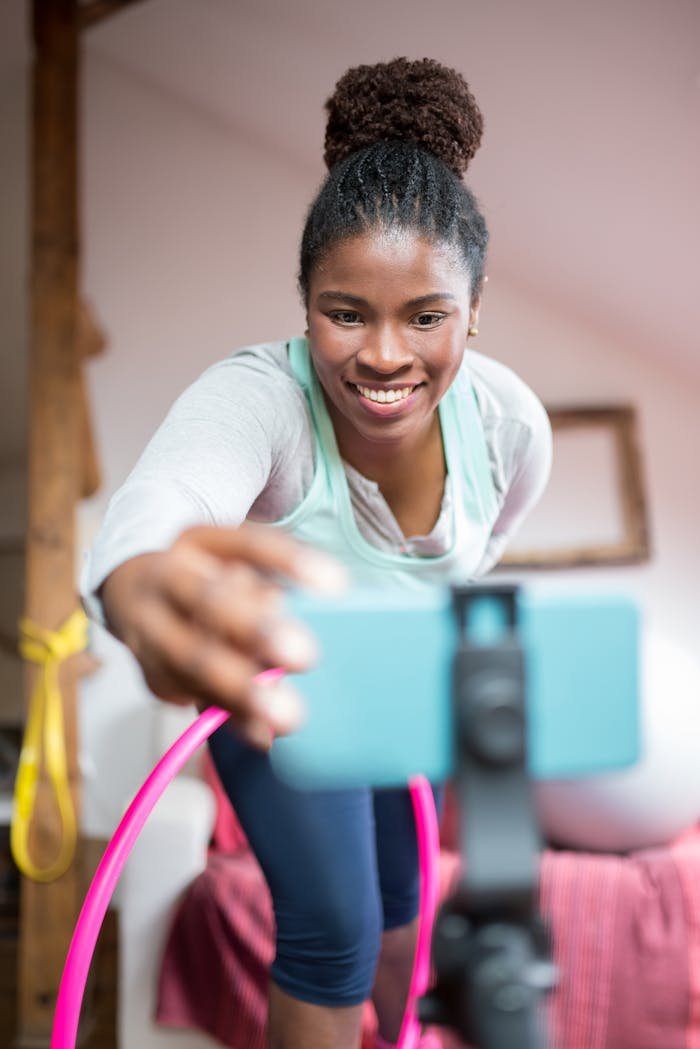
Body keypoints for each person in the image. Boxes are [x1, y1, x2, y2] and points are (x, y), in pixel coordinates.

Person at [82, 58, 552, 1049]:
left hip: (392, 691)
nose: (383, 354)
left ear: (473, 306)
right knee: (333, 932)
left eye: (425, 313)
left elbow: (476, 560)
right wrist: (144, 582)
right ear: (306, 304)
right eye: (347, 311)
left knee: (398, 913)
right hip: (280, 688)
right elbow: (158, 512)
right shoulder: (259, 397)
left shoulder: (509, 424)